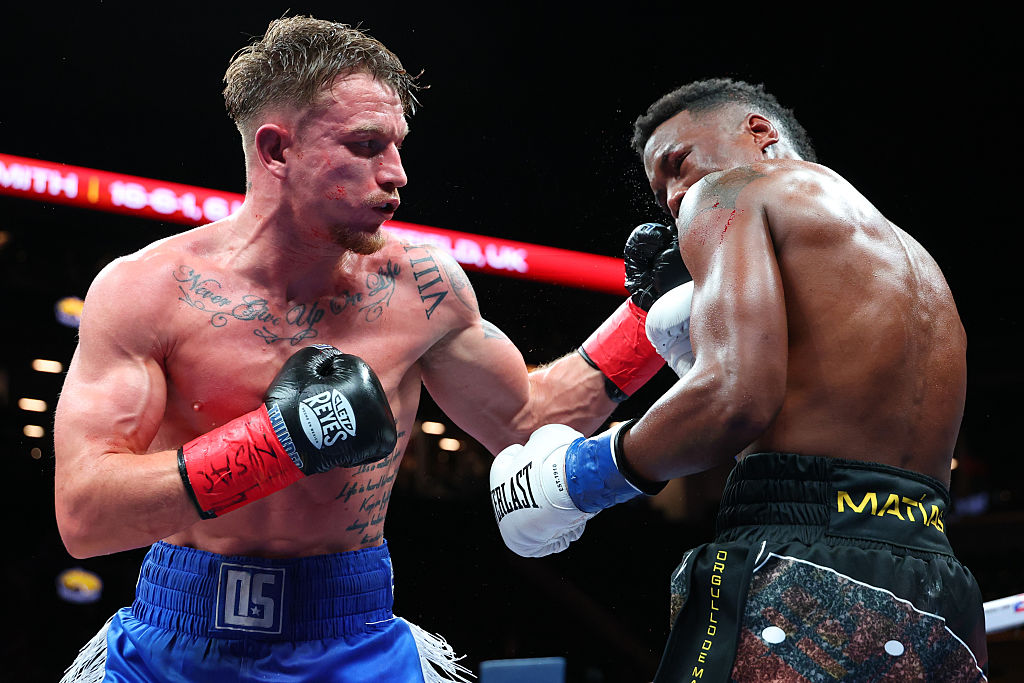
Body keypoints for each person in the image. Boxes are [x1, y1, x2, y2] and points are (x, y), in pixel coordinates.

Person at [53, 15, 686, 683]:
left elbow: (528, 421)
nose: (397, 174)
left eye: (398, 146)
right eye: (365, 145)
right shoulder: (147, 291)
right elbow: (86, 514)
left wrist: (646, 317)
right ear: (276, 150)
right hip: (170, 645)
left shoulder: (421, 287)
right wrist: (278, 443)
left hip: (352, 638)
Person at [489, 78, 989, 681]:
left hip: (798, 561)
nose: (676, 197)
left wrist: (579, 477)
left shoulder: (731, 190)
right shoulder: (913, 260)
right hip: (938, 585)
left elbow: (735, 399)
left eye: (678, 163)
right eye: (660, 193)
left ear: (759, 131)